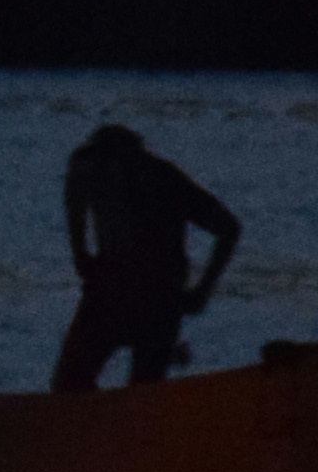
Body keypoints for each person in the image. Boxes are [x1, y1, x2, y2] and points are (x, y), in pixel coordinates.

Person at [55, 124, 239, 391]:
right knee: (143, 392)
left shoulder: (97, 168)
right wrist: (202, 290)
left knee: (72, 386)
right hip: (156, 296)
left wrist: (81, 254)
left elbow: (229, 227)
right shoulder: (164, 176)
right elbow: (228, 227)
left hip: (124, 293)